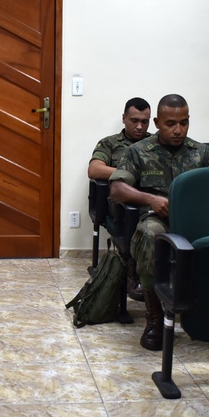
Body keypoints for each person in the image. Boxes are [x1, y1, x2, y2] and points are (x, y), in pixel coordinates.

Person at [109, 94, 209, 350]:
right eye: (170, 123)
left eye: (184, 122)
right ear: (157, 122)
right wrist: (151, 199)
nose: (178, 130)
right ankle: (155, 319)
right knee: (150, 234)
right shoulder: (138, 152)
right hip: (159, 220)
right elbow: (117, 189)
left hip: (195, 221)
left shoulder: (203, 153)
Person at [88, 97, 151, 300]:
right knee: (135, 212)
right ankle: (133, 272)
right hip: (121, 201)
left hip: (152, 197)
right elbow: (94, 169)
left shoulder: (155, 143)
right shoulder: (110, 143)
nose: (139, 126)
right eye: (134, 120)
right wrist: (127, 173)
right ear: (124, 118)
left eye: (145, 121)